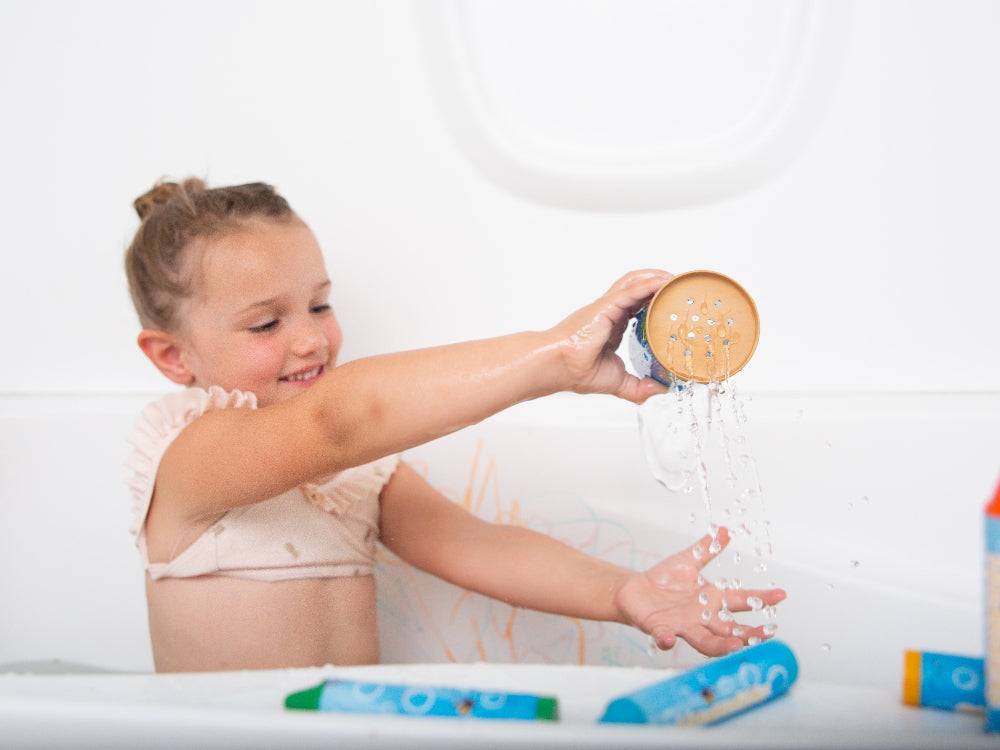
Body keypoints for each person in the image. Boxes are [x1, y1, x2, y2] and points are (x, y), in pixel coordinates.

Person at [124, 178, 786, 673]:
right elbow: (336, 422)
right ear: (173, 356)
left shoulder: (359, 474)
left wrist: (622, 592)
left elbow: (477, 546)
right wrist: (554, 356)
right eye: (267, 323)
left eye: (319, 305)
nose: (310, 340)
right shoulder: (191, 458)